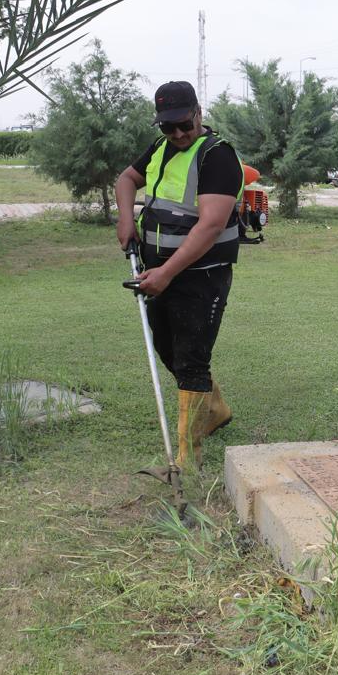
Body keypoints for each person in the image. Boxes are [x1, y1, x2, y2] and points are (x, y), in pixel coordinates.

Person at [114, 81, 243, 473]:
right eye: (168, 127)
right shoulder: (161, 147)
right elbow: (125, 180)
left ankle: (187, 460)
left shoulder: (217, 156)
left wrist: (167, 273)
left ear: (198, 113)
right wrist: (125, 220)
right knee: (167, 347)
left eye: (184, 124)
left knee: (191, 359)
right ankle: (215, 410)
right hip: (155, 271)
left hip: (200, 275)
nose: (178, 134)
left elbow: (210, 225)